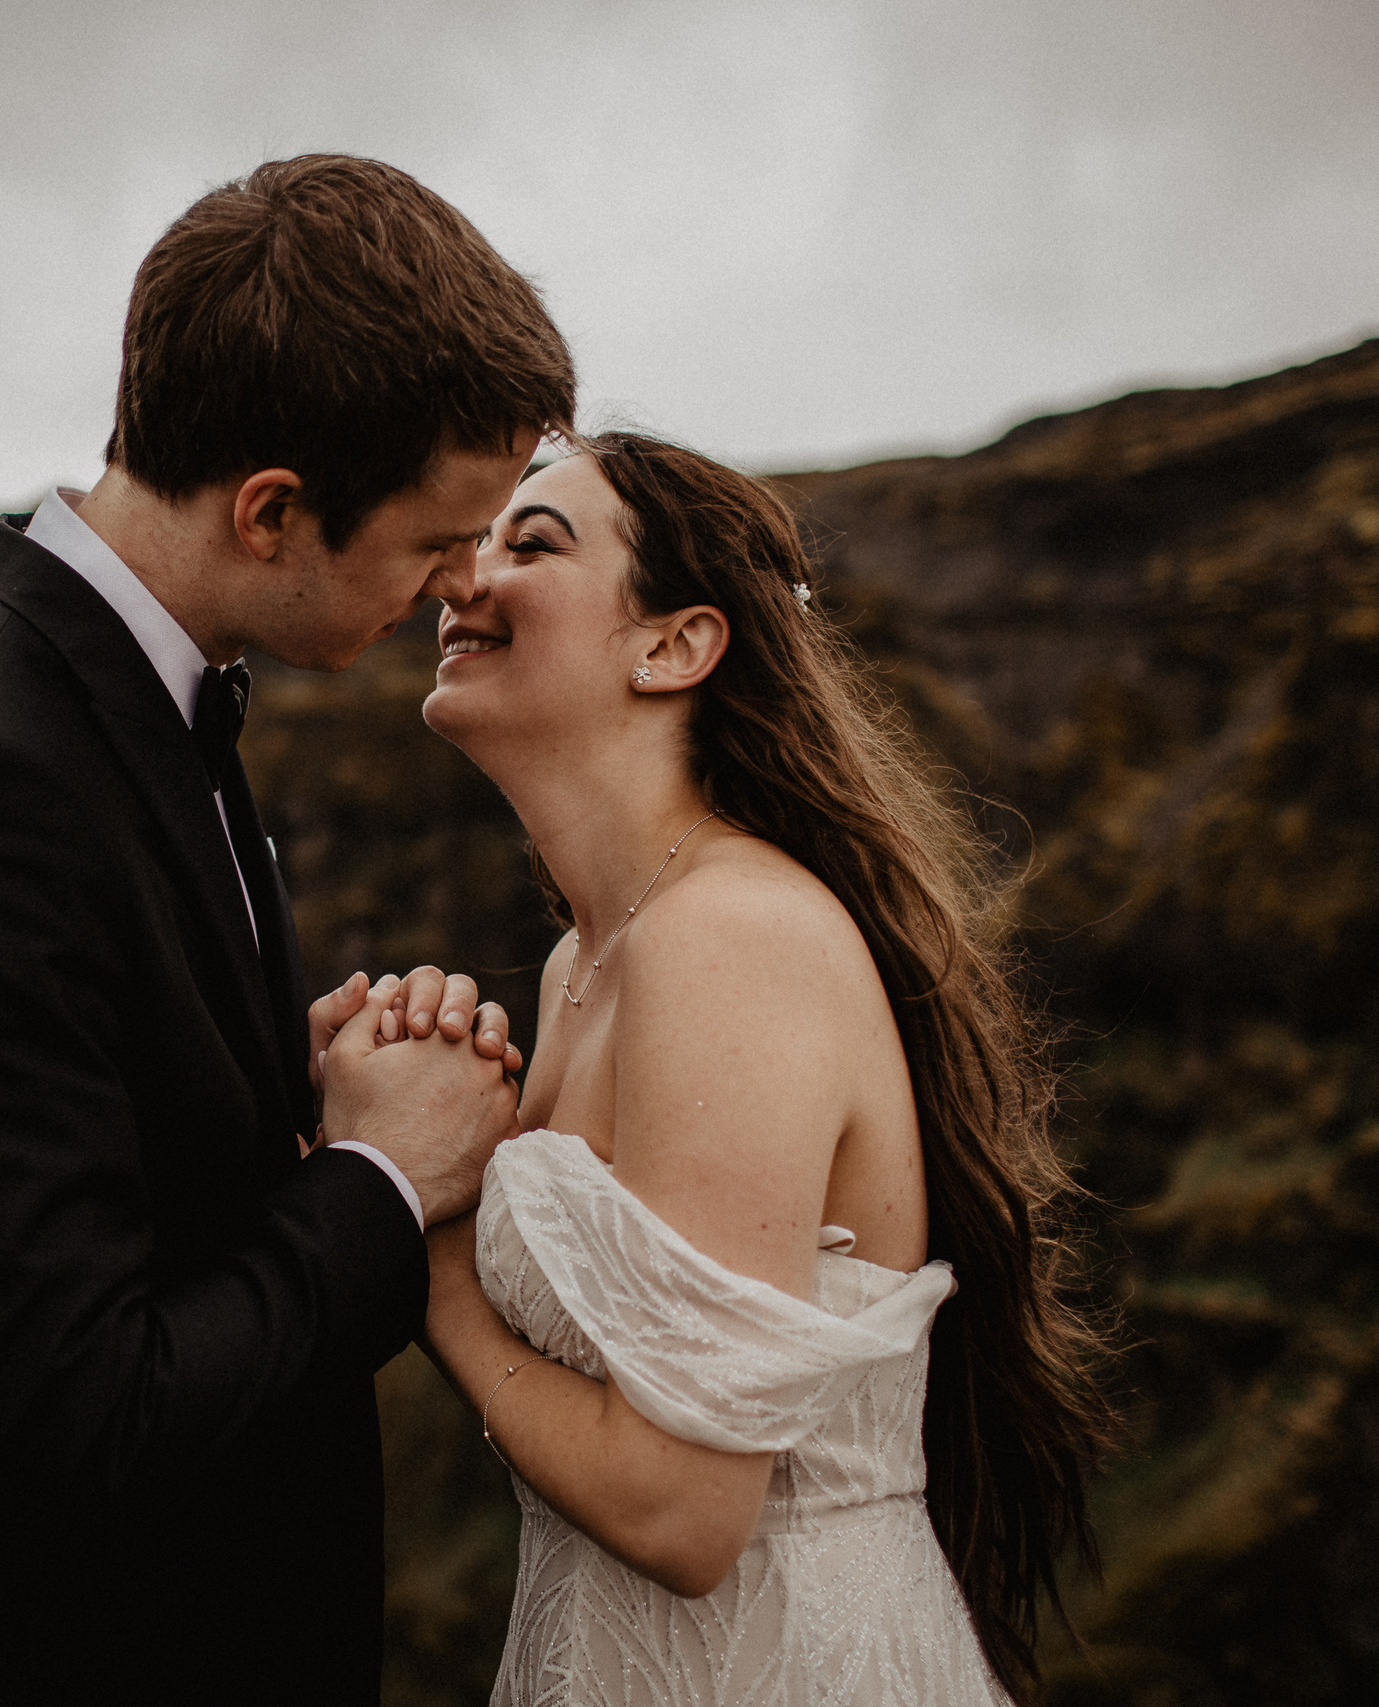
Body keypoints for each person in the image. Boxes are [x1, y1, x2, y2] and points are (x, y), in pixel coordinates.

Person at [0, 155, 575, 1706]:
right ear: (272, 509)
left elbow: (91, 1142)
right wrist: (382, 1172)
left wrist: (290, 1099)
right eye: (433, 541)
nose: (459, 585)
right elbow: (89, 1408)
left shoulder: (125, 702)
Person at [397, 433, 1118, 1705]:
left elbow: (683, 1510)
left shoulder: (730, 938)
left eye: (532, 543)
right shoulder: (581, 963)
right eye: (474, 541)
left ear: (674, 645)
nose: (464, 574)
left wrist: (431, 1252)